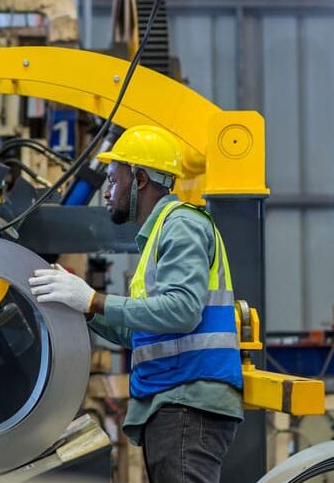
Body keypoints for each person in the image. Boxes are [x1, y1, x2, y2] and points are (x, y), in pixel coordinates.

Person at [29, 125, 242, 482]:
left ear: (140, 179)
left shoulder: (181, 226)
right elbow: (139, 333)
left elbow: (182, 311)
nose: (107, 192)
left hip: (187, 399)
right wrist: (83, 307)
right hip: (173, 400)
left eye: (113, 180)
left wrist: (95, 299)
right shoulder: (158, 236)